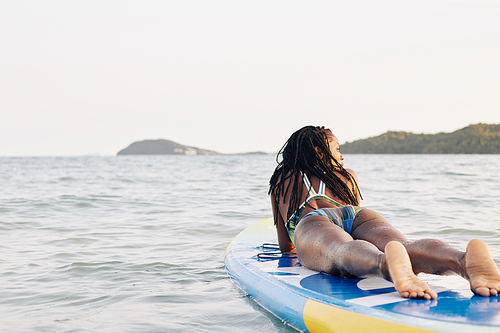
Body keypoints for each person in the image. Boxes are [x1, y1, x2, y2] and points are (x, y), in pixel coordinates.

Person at [269, 125, 500, 299]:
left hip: (314, 220)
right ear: (320, 152)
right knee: (404, 245)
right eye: (337, 149)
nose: (341, 156)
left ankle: (385, 264)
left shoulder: (283, 179)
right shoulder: (347, 175)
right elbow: (354, 220)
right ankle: (463, 260)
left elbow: (285, 246)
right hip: (358, 214)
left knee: (340, 251)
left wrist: (304, 247)